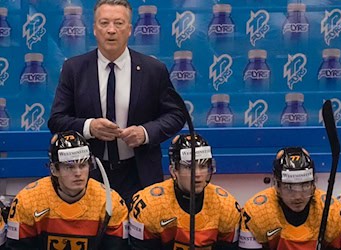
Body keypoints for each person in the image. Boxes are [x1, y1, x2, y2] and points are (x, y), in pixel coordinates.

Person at [48, 0, 185, 204]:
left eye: (119, 23)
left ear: (129, 29)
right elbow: (57, 120)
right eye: (104, 23)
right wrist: (89, 127)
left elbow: (176, 115)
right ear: (94, 29)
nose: (111, 30)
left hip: (139, 174)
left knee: (141, 235)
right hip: (88, 174)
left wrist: (145, 133)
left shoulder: (153, 70)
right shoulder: (74, 69)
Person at [5, 131, 129, 249]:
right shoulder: (27, 200)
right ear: (54, 170)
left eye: (83, 165)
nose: (78, 173)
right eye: (70, 167)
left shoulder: (111, 202)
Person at [128, 133, 241, 249]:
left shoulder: (226, 206)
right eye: (189, 167)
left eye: (202, 166)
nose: (197, 174)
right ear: (174, 171)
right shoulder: (148, 204)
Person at [239, 147, 341, 249]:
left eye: (305, 186)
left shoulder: (334, 212)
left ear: (313, 185)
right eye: (289, 187)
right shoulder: (255, 213)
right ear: (277, 186)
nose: (298, 196)